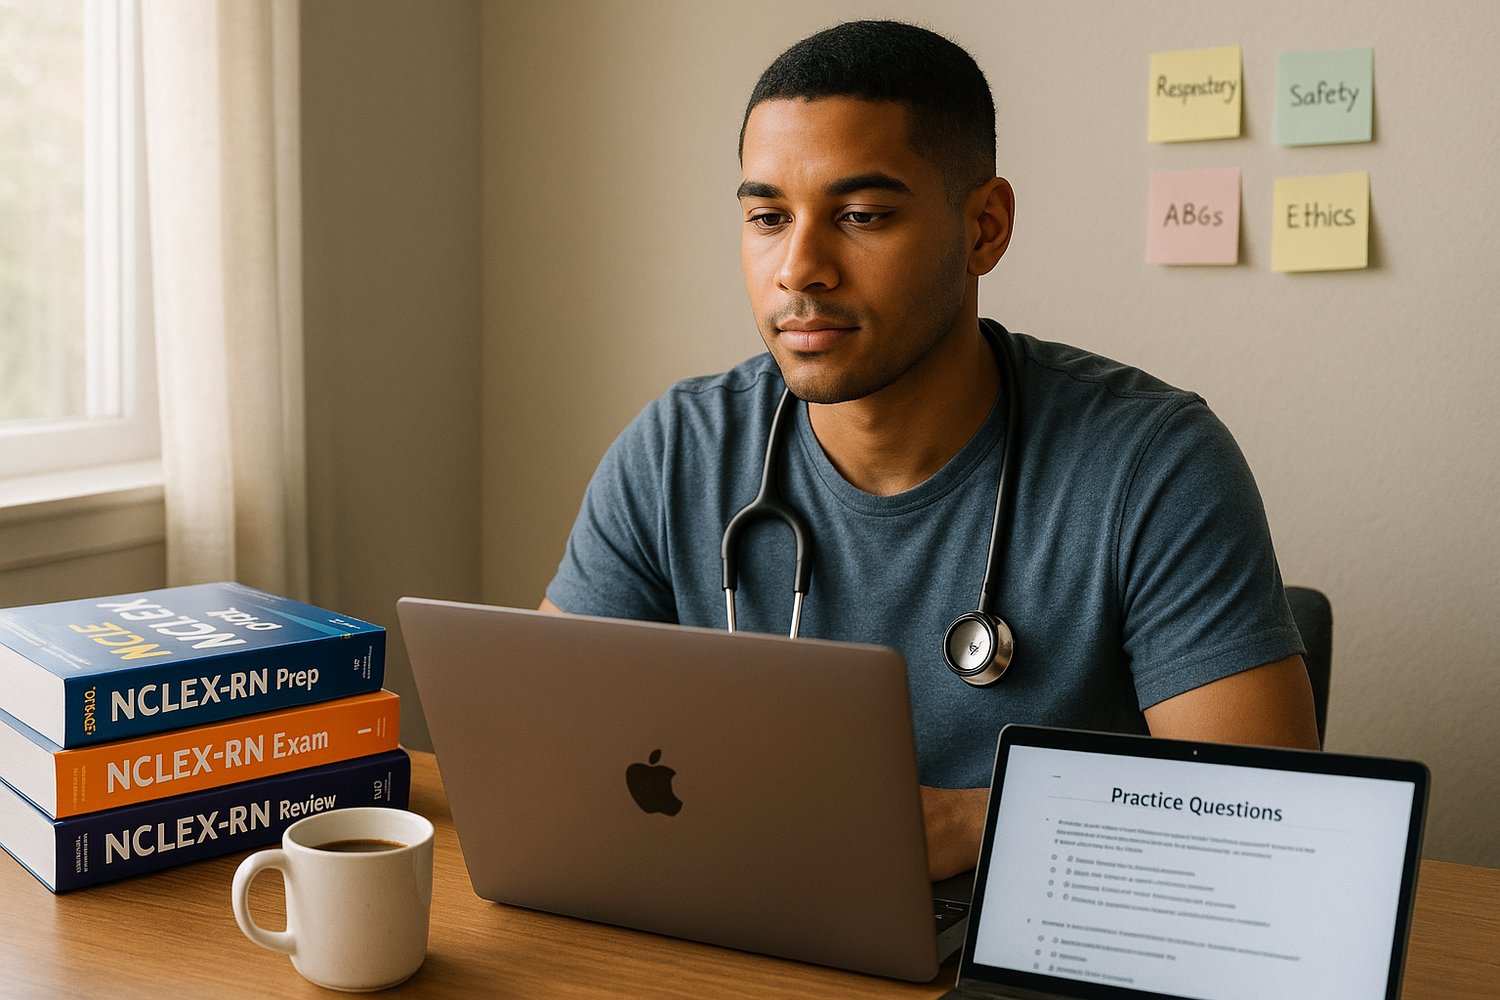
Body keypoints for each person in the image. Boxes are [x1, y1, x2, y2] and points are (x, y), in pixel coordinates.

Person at [541, 20, 1319, 879]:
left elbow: (1266, 814)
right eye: (768, 217)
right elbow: (542, 746)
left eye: (862, 215)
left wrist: (978, 826)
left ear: (984, 227)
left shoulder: (1153, 463)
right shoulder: (676, 451)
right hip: (744, 919)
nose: (799, 268)